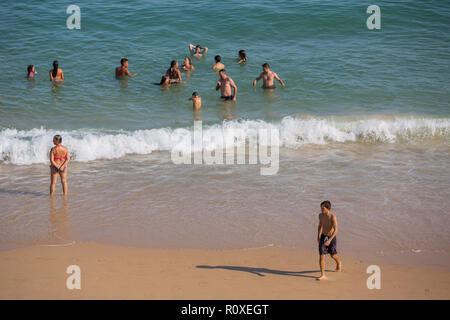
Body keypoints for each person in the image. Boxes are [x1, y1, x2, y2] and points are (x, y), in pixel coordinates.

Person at [316, 200, 341, 281]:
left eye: (323, 208)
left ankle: (338, 263)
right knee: (321, 255)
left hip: (331, 237)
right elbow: (320, 226)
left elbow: (336, 230)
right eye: (321, 208)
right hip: (323, 236)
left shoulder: (332, 217)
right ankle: (323, 275)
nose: (321, 209)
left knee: (333, 255)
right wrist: (318, 236)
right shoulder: (320, 215)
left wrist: (330, 240)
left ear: (327, 208)